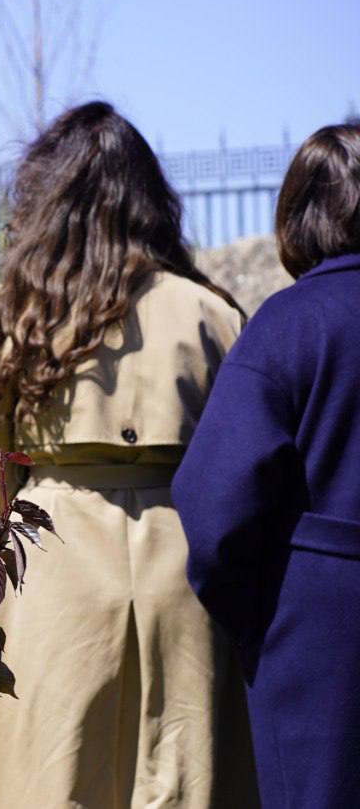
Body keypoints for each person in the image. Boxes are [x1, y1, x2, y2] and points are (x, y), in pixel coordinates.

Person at [0, 102, 258, 807]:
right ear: (148, 199)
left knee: (49, 772)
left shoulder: (19, 313)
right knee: (185, 771)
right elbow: (242, 467)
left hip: (46, 557)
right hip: (183, 564)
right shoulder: (208, 311)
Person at [173, 122, 360, 808]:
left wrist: (257, 618)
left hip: (319, 637)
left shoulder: (287, 325)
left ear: (299, 214)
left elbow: (214, 507)